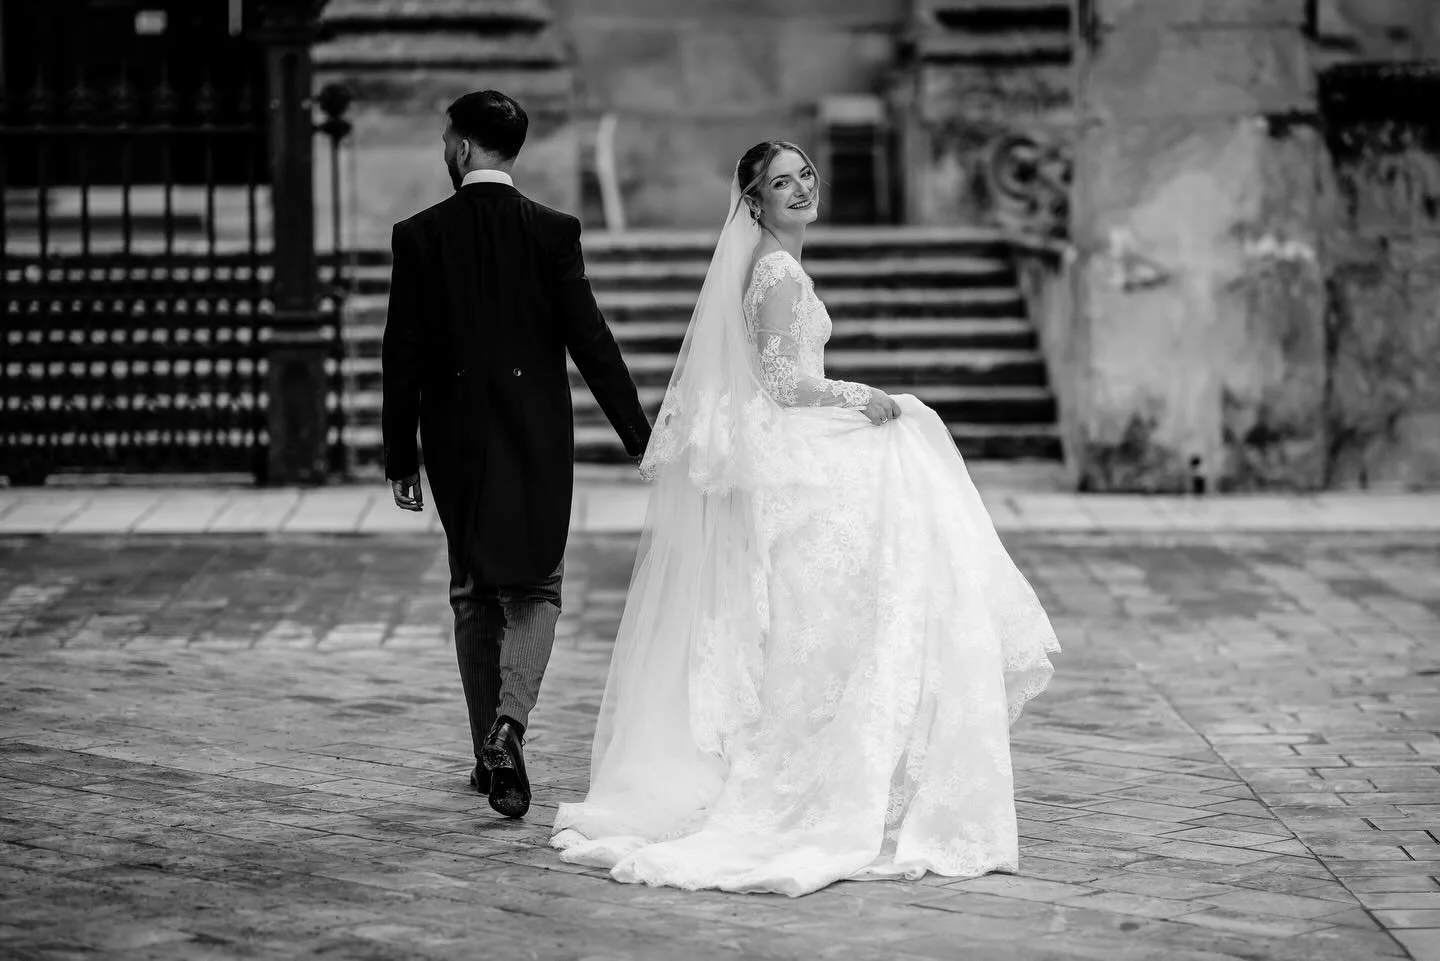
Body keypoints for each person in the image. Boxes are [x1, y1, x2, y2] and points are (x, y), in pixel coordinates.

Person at [550, 140, 1060, 896]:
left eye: (805, 175)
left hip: (783, 447)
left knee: (828, 596)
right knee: (902, 485)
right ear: (754, 201)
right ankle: (844, 746)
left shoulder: (768, 263)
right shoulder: (777, 272)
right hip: (791, 447)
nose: (800, 189)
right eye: (781, 182)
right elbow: (785, 384)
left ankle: (843, 736)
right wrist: (863, 395)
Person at [382, 90, 651, 820]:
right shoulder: (552, 231)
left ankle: (486, 756)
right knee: (536, 586)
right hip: (536, 436)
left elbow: (402, 356)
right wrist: (640, 437)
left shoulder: (419, 234)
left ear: (464, 147)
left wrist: (401, 455)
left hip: (455, 440)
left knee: (473, 591)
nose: (445, 149)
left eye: (447, 139)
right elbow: (591, 341)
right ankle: (510, 727)